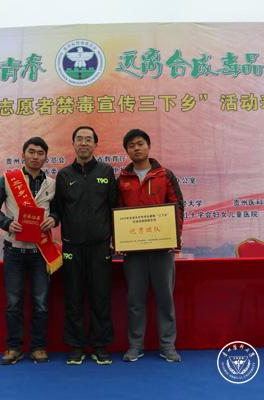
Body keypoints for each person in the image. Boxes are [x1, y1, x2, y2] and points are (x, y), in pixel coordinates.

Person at [0, 137, 57, 365]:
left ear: (46, 157)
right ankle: (14, 347)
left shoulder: (53, 183)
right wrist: (7, 223)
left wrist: (54, 219)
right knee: (13, 303)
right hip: (14, 250)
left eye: (40, 153)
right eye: (31, 152)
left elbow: (60, 210)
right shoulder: (9, 180)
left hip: (40, 252)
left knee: (41, 303)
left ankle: (38, 347)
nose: (35, 156)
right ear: (23, 154)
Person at [52, 126, 118, 365]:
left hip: (100, 247)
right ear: (73, 144)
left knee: (101, 297)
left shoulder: (106, 172)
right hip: (72, 248)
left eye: (88, 139)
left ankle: (100, 346)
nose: (83, 143)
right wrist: (51, 219)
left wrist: (117, 240)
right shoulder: (64, 175)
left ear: (95, 145)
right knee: (74, 298)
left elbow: (114, 208)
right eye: (79, 139)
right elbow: (57, 210)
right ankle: (76, 346)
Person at [117, 129, 184, 362]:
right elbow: (116, 211)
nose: (136, 148)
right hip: (133, 251)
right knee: (135, 300)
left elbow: (177, 206)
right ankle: (135, 346)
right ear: (127, 151)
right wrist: (119, 240)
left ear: (148, 146)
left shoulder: (165, 175)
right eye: (131, 145)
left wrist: (174, 239)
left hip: (162, 249)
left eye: (140, 143)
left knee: (165, 299)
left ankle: (168, 346)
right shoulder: (122, 179)